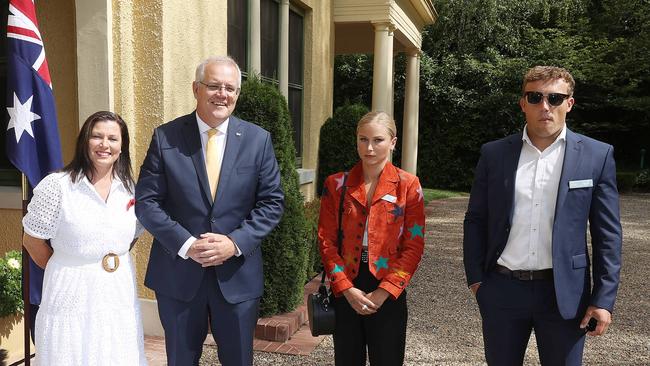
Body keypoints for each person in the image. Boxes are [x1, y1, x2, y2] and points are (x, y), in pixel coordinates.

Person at [463, 66, 623, 365]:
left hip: (566, 295)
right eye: (535, 97)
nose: (545, 106)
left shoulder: (596, 155)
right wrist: (476, 280)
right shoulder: (494, 154)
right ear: (523, 102)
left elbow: (608, 236)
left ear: (569, 103)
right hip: (502, 290)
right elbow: (476, 219)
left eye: (555, 98)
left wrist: (603, 300)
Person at [135, 55, 284, 366]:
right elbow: (147, 202)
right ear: (195, 89)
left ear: (237, 94)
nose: (222, 94)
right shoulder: (166, 137)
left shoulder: (258, 140)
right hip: (178, 275)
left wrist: (235, 243)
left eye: (230, 88)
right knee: (180, 360)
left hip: (237, 277)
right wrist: (187, 245)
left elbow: (271, 202)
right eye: (214, 85)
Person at [22, 111, 147, 365]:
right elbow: (32, 240)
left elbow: (129, 237)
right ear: (84, 142)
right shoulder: (57, 186)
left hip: (117, 290)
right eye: (97, 136)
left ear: (122, 146)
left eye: (113, 138)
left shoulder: (131, 189)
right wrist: (66, 267)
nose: (104, 144)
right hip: (70, 291)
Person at [318, 111, 426, 366]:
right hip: (347, 284)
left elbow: (413, 245)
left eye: (377, 140)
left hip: (388, 288)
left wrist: (385, 291)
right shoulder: (336, 184)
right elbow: (326, 240)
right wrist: (345, 288)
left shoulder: (408, 185)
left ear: (393, 142)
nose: (369, 148)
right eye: (362, 139)